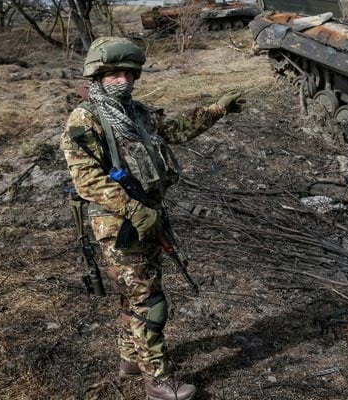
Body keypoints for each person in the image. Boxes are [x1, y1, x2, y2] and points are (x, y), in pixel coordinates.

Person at [60, 36, 240, 400]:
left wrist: (216, 110)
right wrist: (134, 209)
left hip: (149, 215)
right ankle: (157, 379)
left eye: (128, 73)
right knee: (150, 301)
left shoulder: (136, 113)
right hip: (118, 223)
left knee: (135, 293)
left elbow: (174, 131)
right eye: (114, 74)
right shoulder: (85, 119)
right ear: (97, 75)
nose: (122, 80)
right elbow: (87, 179)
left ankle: (130, 359)